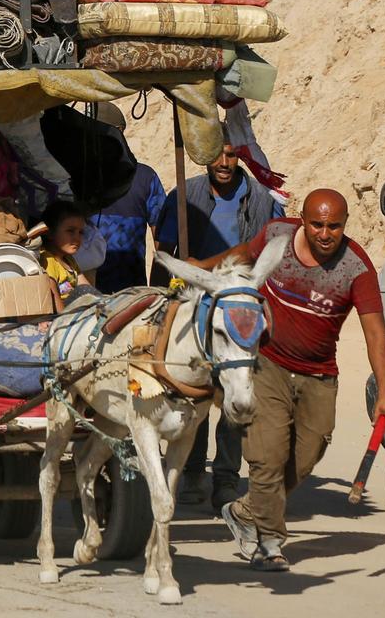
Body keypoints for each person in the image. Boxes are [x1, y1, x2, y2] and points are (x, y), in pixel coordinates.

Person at [191, 190, 385, 573]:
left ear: (345, 224)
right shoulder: (277, 238)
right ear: (302, 219)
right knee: (267, 458)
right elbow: (240, 254)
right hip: (266, 365)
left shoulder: (357, 268)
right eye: (317, 224)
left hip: (319, 375)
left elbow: (375, 335)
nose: (325, 233)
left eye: (334, 226)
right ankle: (269, 545)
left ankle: (244, 510)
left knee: (306, 458)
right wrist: (202, 268)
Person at [156, 141, 284, 509]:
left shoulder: (262, 199)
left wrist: (202, 265)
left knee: (236, 388)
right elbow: (165, 249)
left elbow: (258, 252)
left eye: (231, 155)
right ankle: (194, 471)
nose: (224, 163)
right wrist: (163, 294)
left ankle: (226, 478)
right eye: (217, 154)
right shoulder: (185, 195)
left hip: (237, 306)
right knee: (194, 389)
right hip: (196, 304)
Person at [87, 103, 167, 293]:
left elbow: (163, 242)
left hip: (131, 295)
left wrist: (158, 289)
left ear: (118, 132)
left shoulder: (145, 178)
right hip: (83, 294)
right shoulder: (76, 177)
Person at [34, 200, 95, 300]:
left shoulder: (69, 260)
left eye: (80, 232)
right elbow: (54, 300)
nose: (77, 238)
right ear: (50, 233)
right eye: (70, 231)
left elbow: (87, 288)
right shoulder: (47, 260)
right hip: (62, 314)